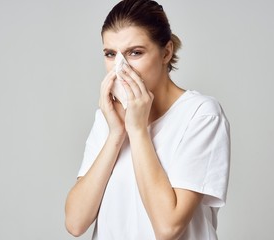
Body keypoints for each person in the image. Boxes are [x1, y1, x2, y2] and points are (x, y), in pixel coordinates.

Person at [65, 0, 230, 239]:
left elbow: (168, 228)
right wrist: (116, 133)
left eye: (135, 53)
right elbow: (75, 222)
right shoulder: (108, 118)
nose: (120, 67)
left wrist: (138, 130)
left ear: (166, 52)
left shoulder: (201, 115)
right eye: (111, 54)